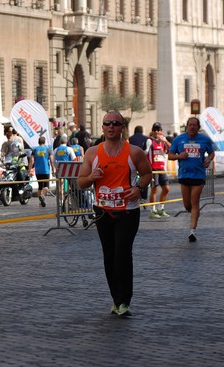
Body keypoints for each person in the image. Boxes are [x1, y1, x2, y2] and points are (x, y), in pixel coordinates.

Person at [77, 111, 152, 317]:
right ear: (102, 128)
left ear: (122, 128)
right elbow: (80, 182)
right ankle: (116, 299)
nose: (111, 126)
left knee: (122, 255)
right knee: (109, 257)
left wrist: (138, 188)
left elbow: (147, 173)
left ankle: (124, 301)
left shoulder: (134, 152)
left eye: (115, 123)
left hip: (128, 212)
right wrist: (92, 176)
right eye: (107, 123)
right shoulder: (92, 153)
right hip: (103, 212)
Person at [168, 117, 215, 242]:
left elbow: (211, 153)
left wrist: (208, 159)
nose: (192, 127)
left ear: (198, 127)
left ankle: (192, 231)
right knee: (187, 205)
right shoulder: (179, 139)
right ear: (186, 126)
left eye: (195, 125)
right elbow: (170, 155)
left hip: (199, 175)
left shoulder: (204, 140)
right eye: (190, 125)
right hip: (184, 175)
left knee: (194, 202)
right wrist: (179, 156)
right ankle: (195, 213)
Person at [144, 122, 171, 219]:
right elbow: (144, 153)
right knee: (154, 189)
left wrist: (164, 141)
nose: (157, 131)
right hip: (153, 169)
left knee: (166, 189)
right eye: (155, 129)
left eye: (158, 129)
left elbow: (172, 149)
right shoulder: (149, 141)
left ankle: (161, 208)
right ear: (152, 131)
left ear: (161, 131)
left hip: (162, 168)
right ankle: (153, 210)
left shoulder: (163, 140)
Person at [29, 136, 54, 207]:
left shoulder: (35, 150)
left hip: (38, 171)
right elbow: (51, 160)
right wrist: (53, 168)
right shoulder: (48, 149)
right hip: (46, 170)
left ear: (38, 142)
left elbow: (31, 160)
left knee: (40, 186)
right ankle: (42, 196)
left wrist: (30, 169)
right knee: (46, 187)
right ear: (44, 142)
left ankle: (40, 198)